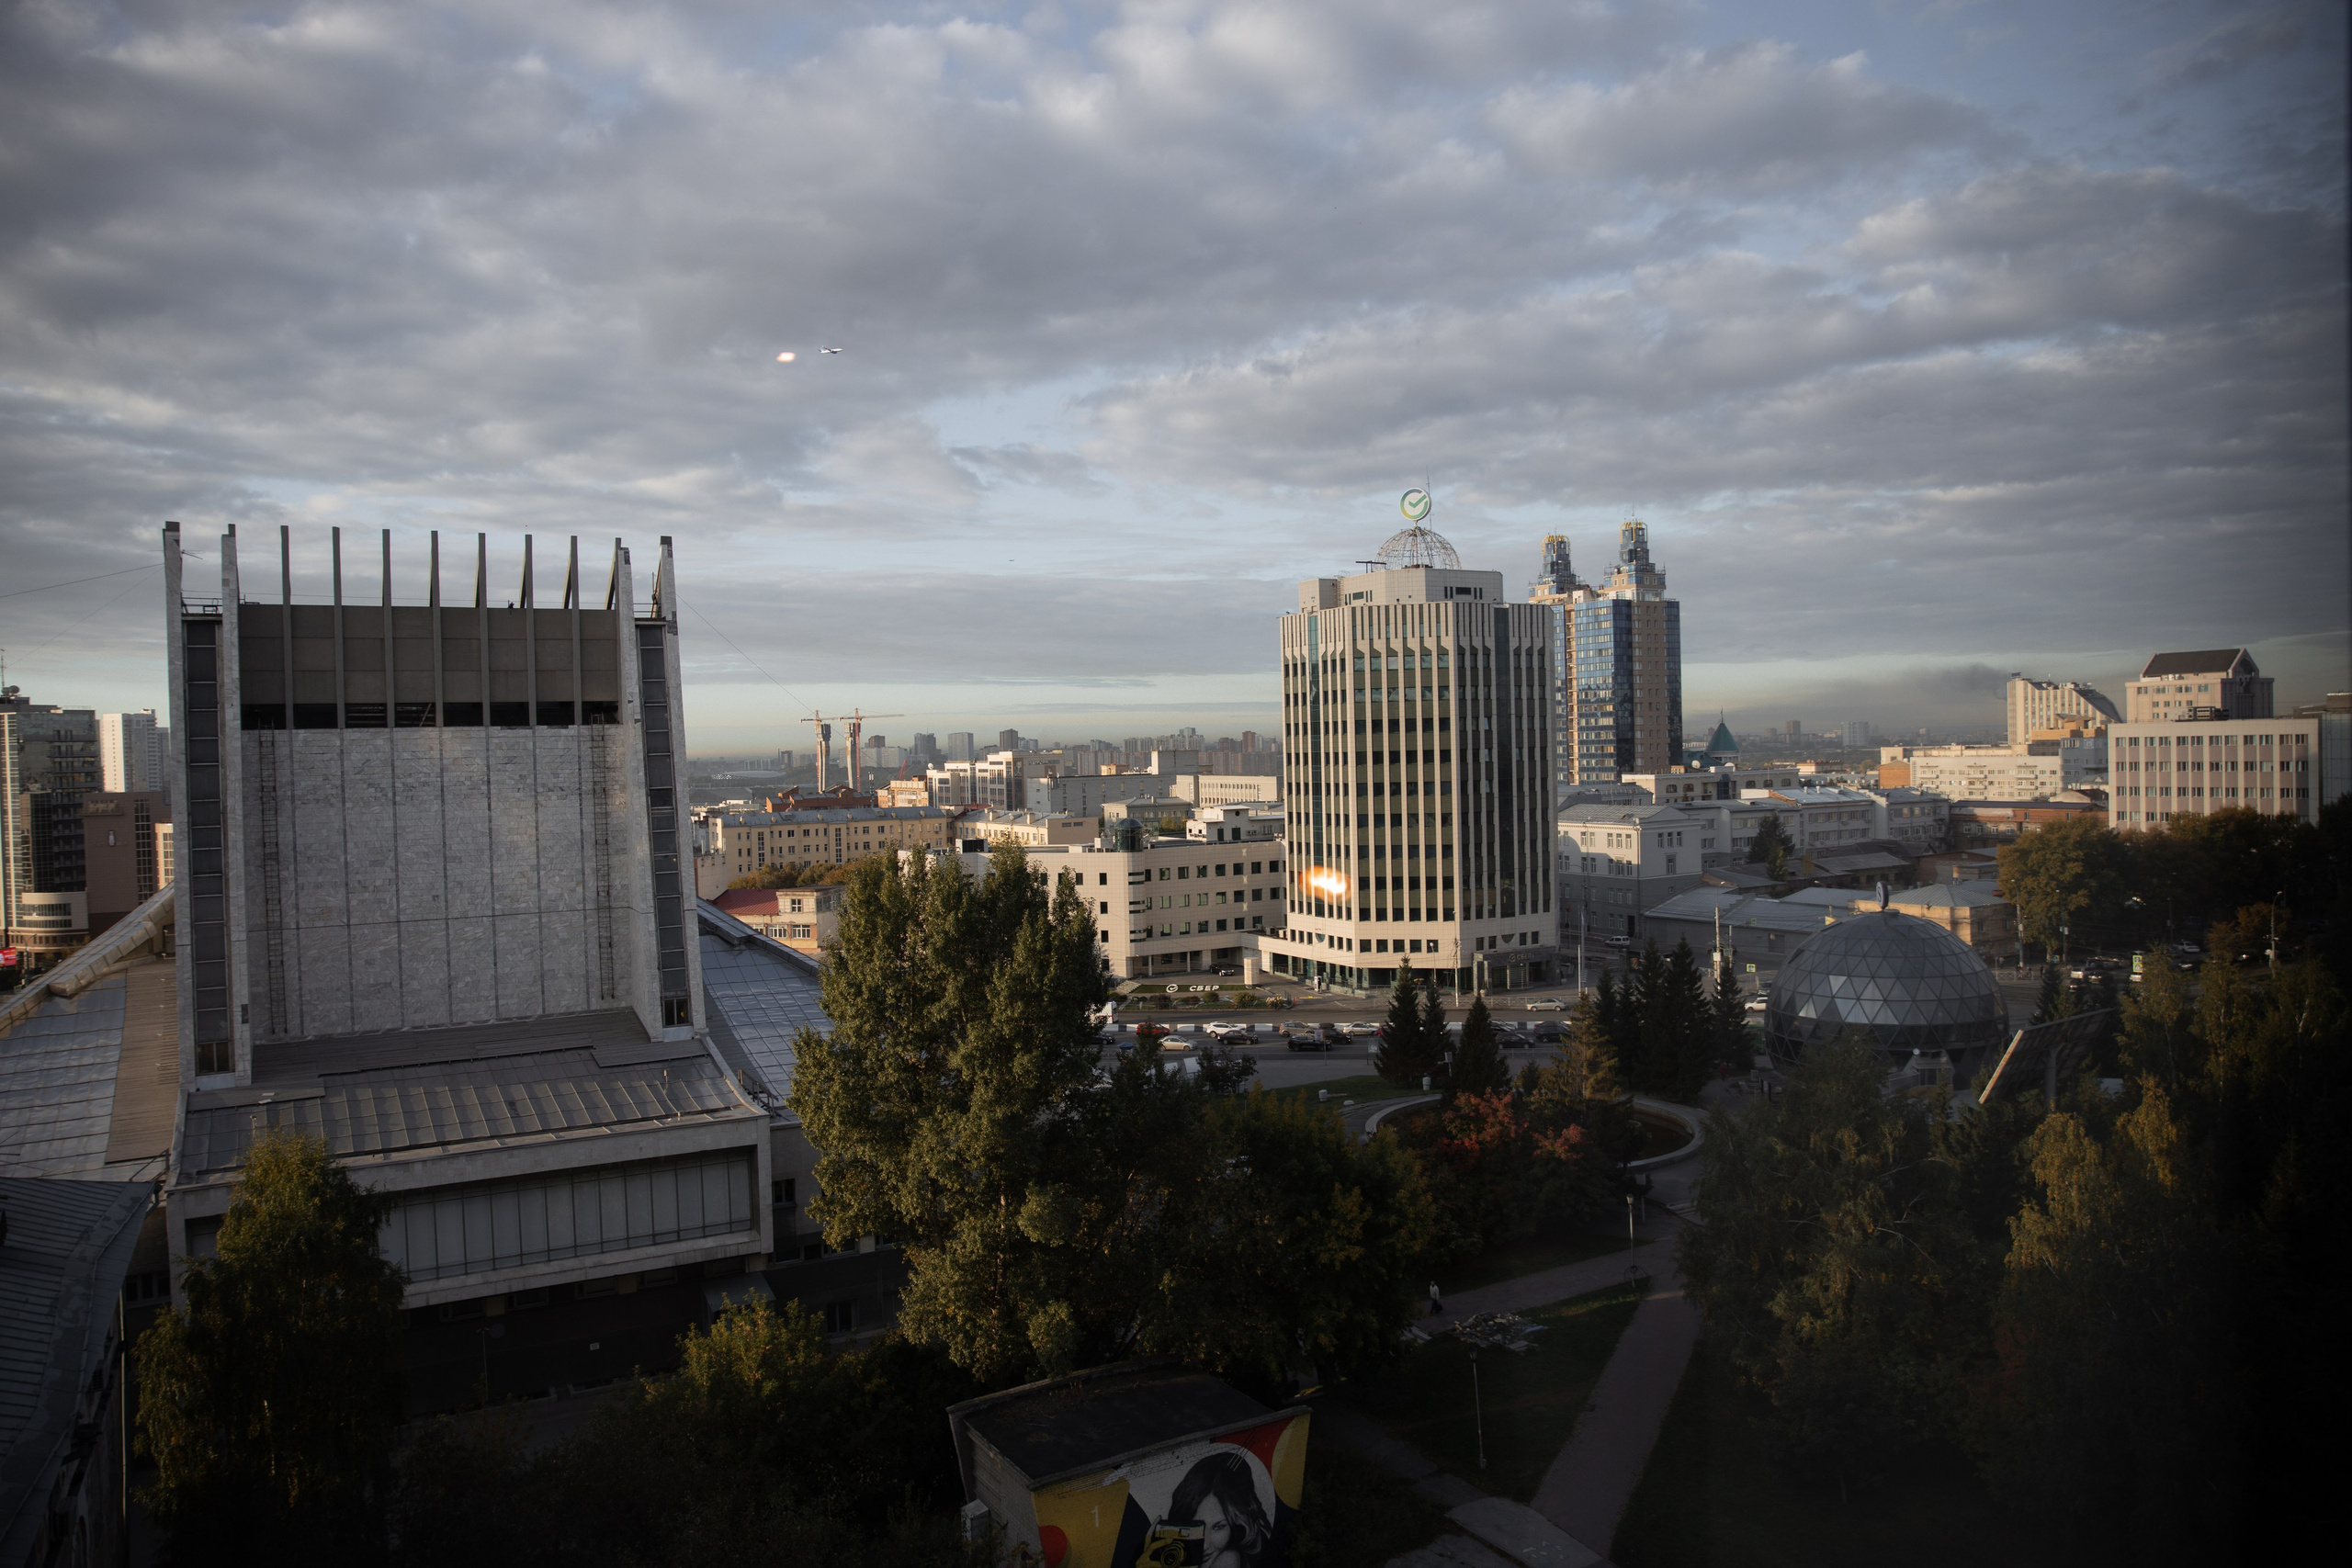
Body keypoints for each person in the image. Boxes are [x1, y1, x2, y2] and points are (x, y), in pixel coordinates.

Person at [1160, 1451, 1272, 1568]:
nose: (1204, 1546)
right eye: (1195, 1528)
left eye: (1218, 1527)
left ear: (1239, 1522)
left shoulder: (1230, 1558)